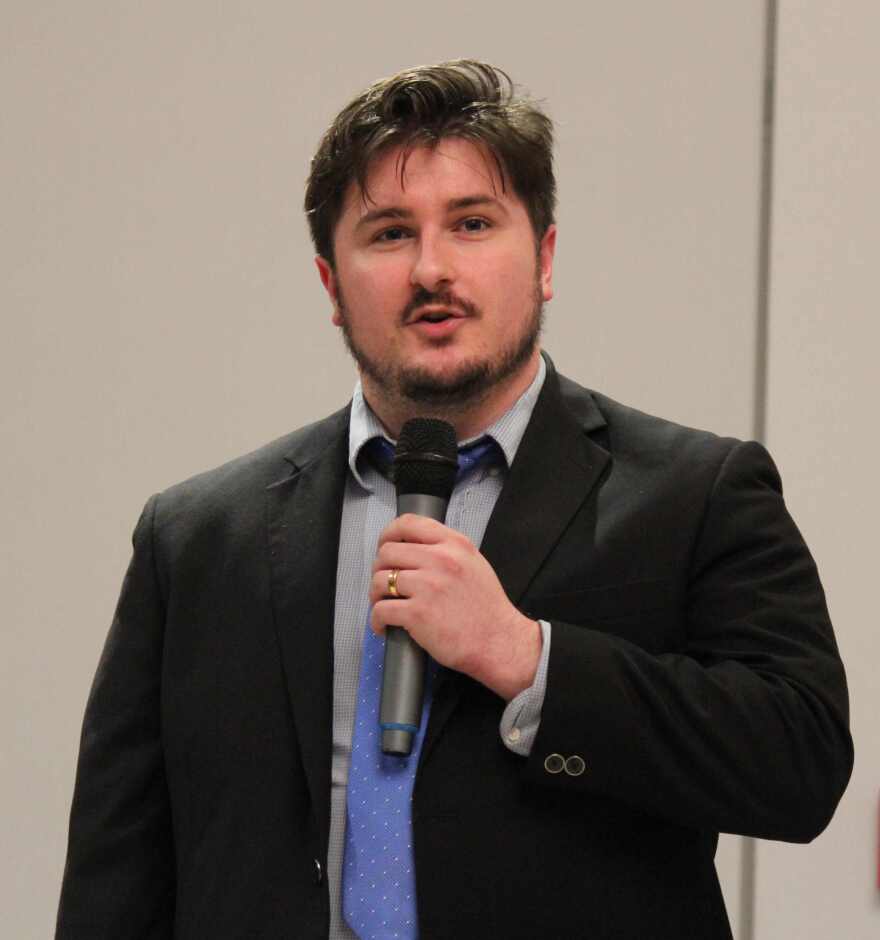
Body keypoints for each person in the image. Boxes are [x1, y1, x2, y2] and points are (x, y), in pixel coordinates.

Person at [56, 60, 852, 939]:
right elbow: (116, 875)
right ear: (331, 286)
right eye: (390, 233)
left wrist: (527, 659)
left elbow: (801, 764)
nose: (432, 268)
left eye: (472, 223)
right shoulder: (197, 538)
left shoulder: (695, 493)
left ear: (544, 258)